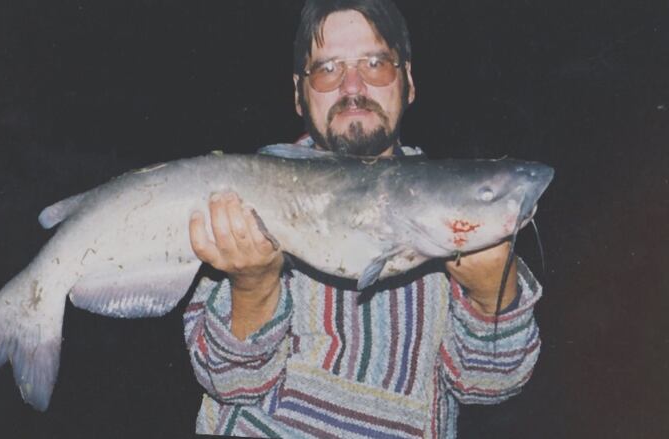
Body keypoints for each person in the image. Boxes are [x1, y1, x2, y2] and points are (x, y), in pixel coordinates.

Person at [184, 0, 542, 437]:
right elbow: (228, 383)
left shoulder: (455, 206)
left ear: (408, 81)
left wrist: (493, 298)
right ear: (299, 93)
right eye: (328, 69)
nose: (352, 86)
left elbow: (489, 388)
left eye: (375, 63)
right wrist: (253, 286)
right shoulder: (245, 196)